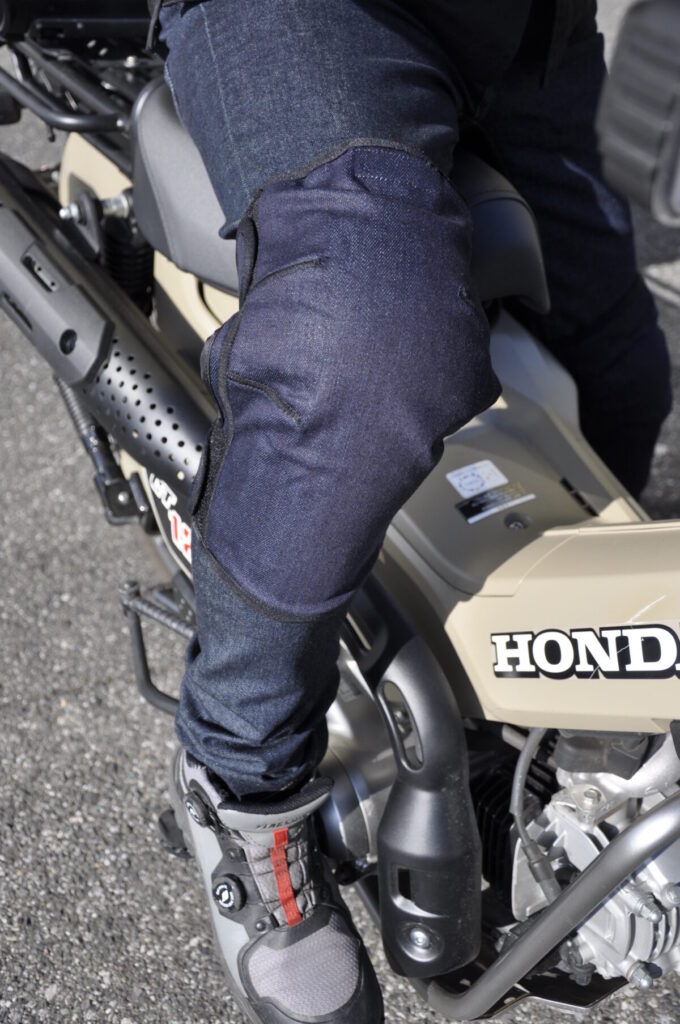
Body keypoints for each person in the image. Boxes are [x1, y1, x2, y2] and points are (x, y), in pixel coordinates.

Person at [150, 2, 671, 1021]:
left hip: (522, 33)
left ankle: (546, 735)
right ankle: (240, 774)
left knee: (621, 374)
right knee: (370, 337)